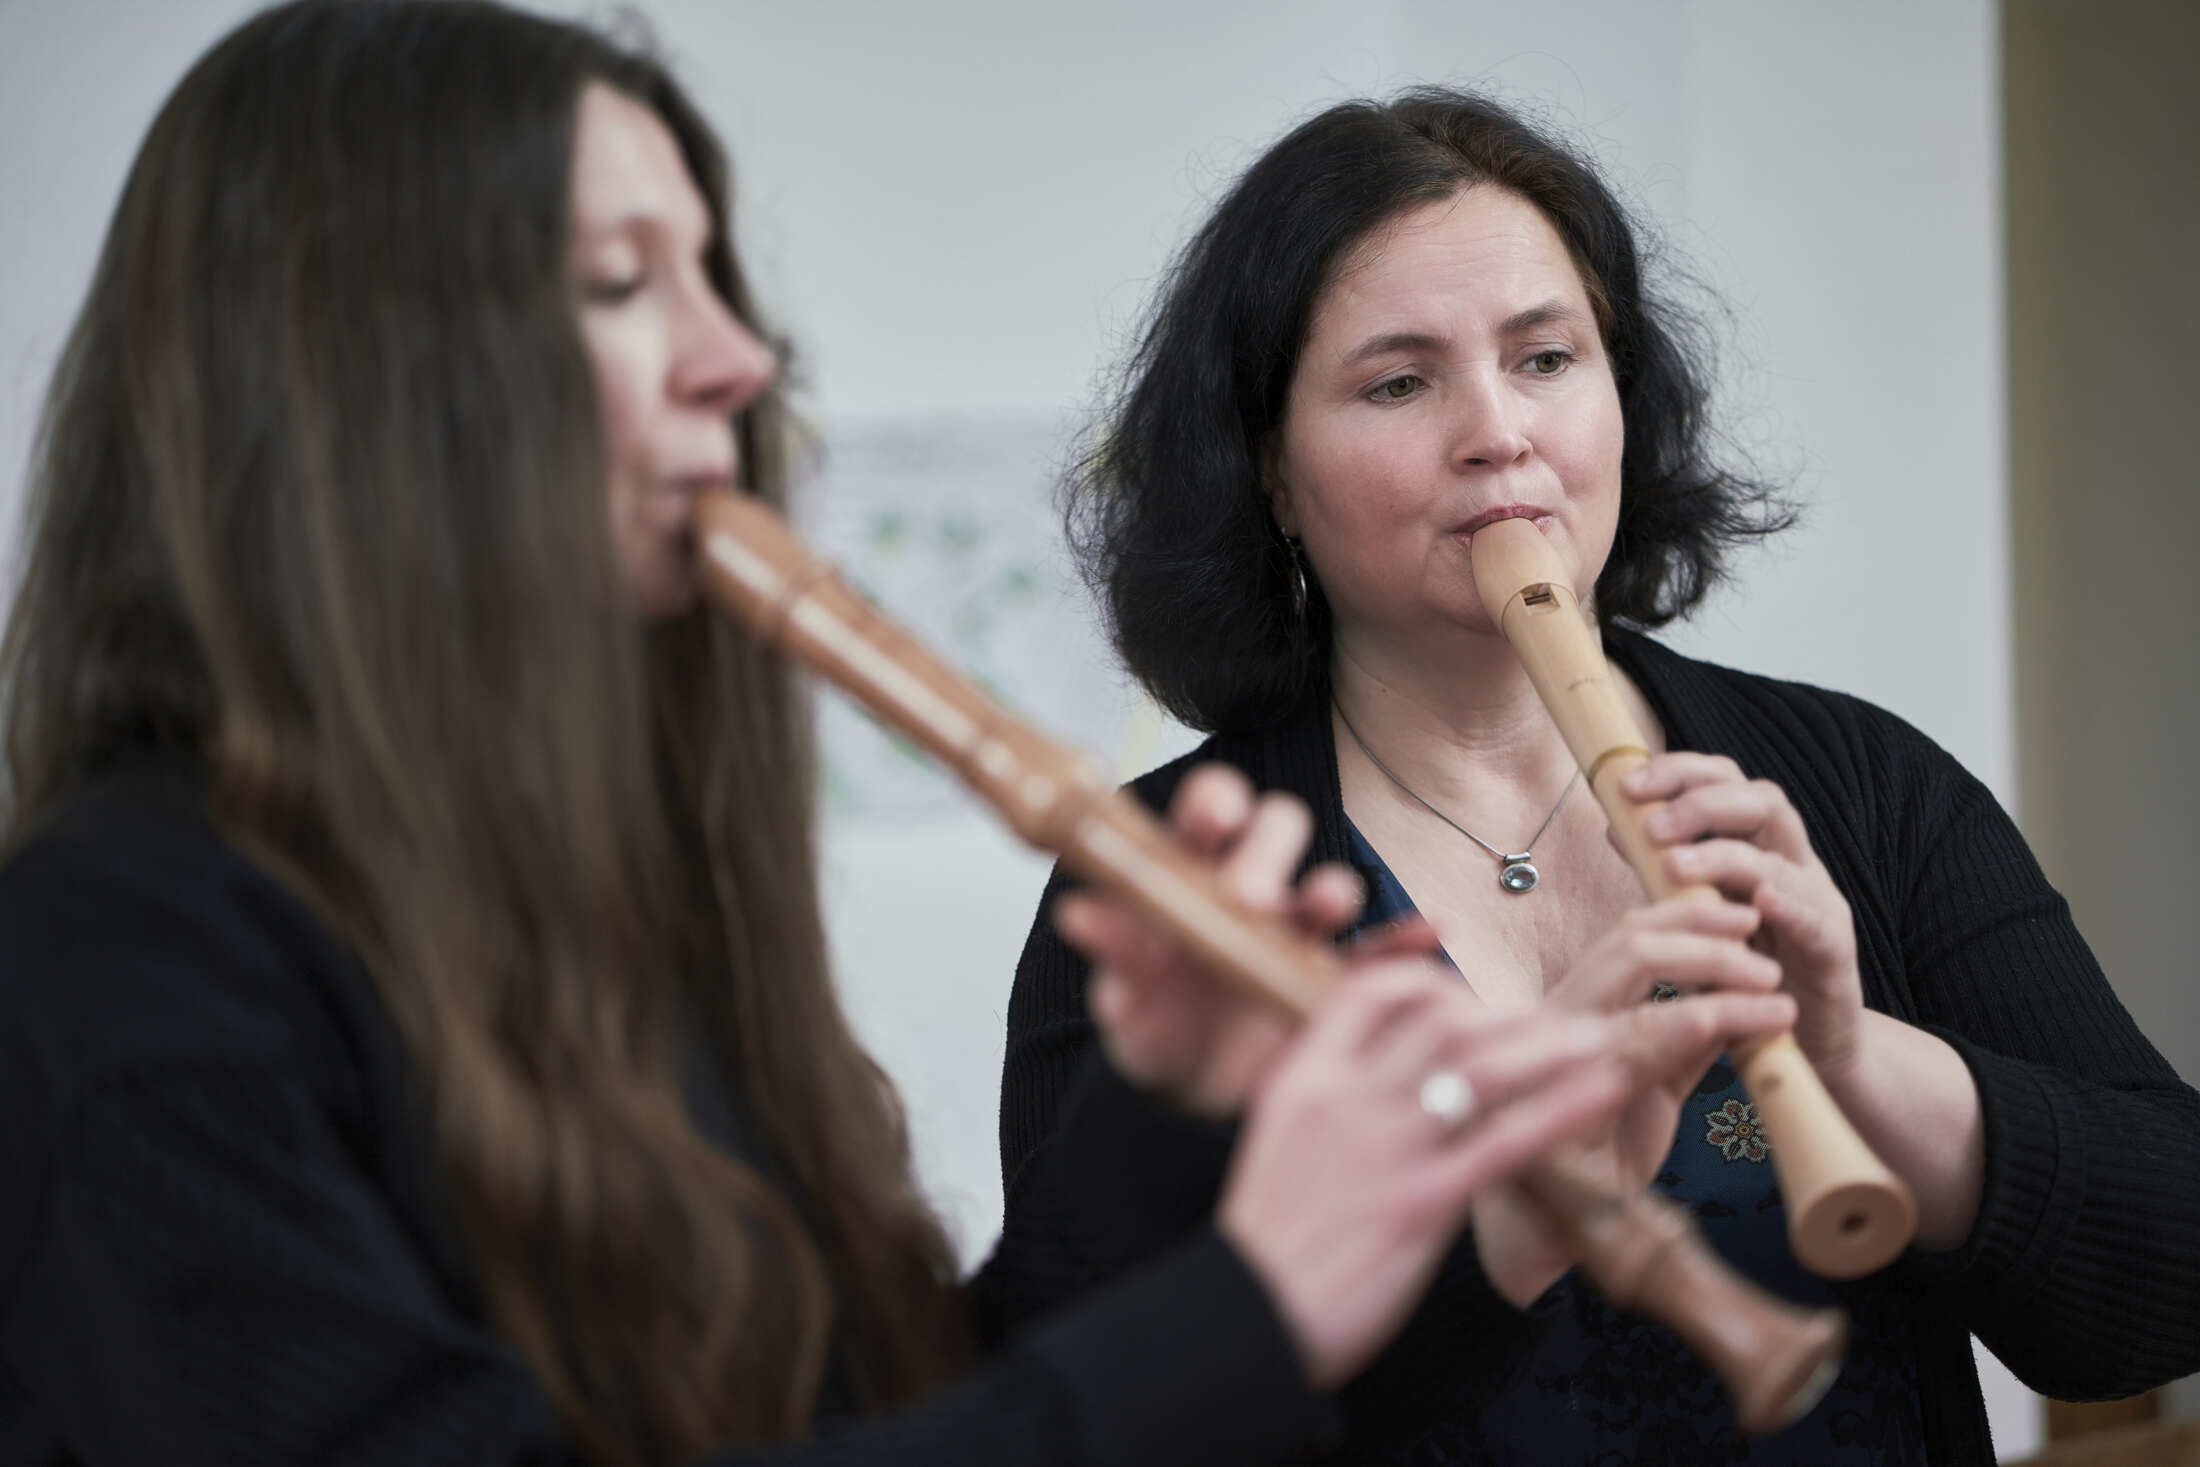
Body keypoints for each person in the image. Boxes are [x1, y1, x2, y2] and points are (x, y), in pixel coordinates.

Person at [0, 9, 1805, 1465]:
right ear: (361, 377)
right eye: (627, 286)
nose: (735, 358)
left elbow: (920, 1413)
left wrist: (1173, 1126)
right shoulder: (122, 954)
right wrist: (1256, 1300)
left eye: (716, 277)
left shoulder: (592, 916)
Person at [1000, 88, 2200, 1464]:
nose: (1498, 432)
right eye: (1399, 382)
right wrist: (1505, 1229)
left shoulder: (1861, 786)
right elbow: (1080, 1422)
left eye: (1546, 358)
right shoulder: (1174, 879)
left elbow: (2161, 1295)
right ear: (1269, 468)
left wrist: (1863, 1064)